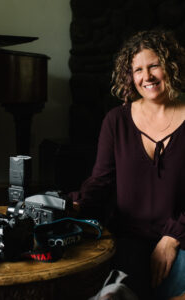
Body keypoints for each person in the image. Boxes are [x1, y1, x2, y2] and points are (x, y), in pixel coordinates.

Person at [69, 29, 185, 300]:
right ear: (129, 76)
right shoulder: (116, 121)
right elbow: (101, 181)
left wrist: (172, 238)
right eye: (138, 70)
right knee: (115, 293)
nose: (147, 77)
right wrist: (74, 206)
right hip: (131, 237)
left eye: (154, 65)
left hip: (181, 235)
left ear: (171, 65)